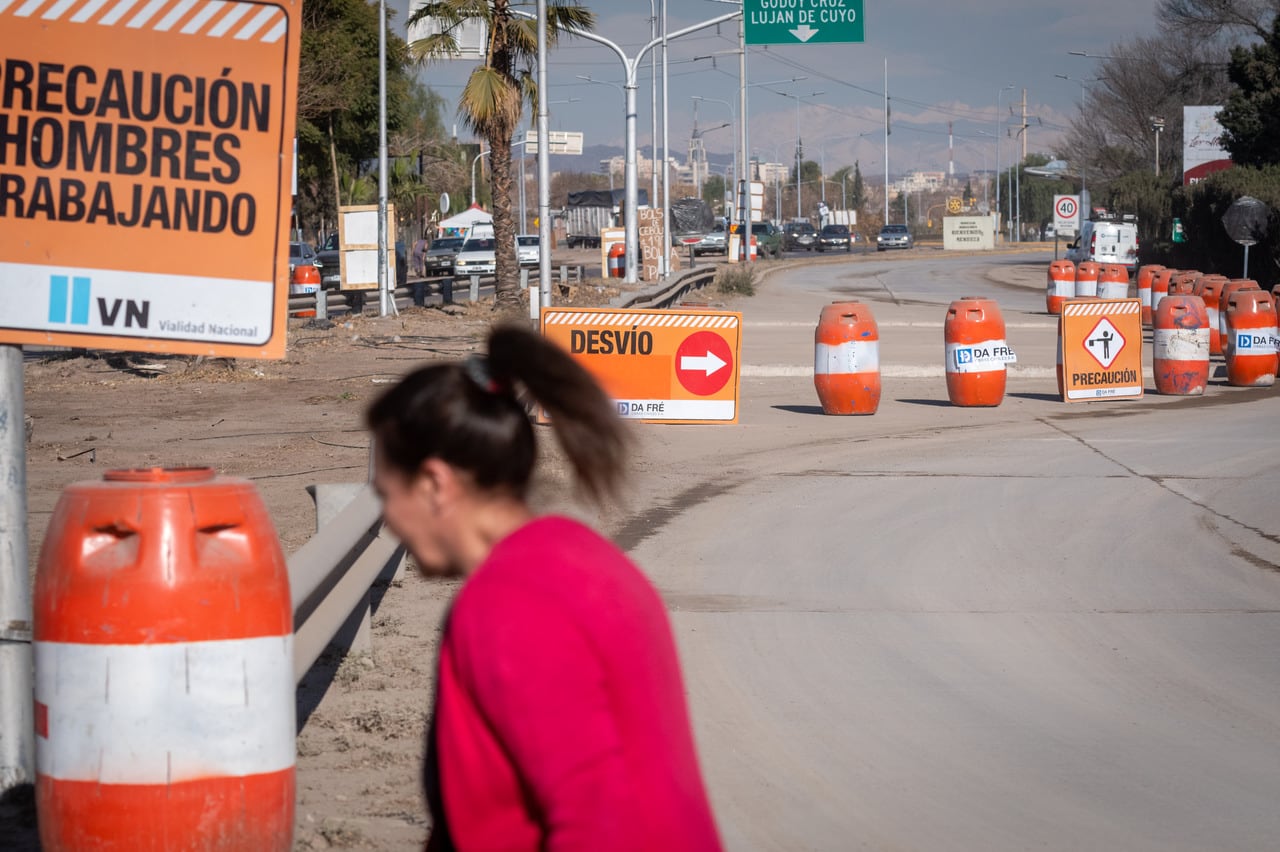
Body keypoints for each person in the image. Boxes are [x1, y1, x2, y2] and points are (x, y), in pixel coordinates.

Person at [366, 325, 723, 852]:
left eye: (386, 494)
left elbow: (596, 822)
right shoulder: (579, 556)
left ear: (435, 484)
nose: (389, 520)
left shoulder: (508, 605)